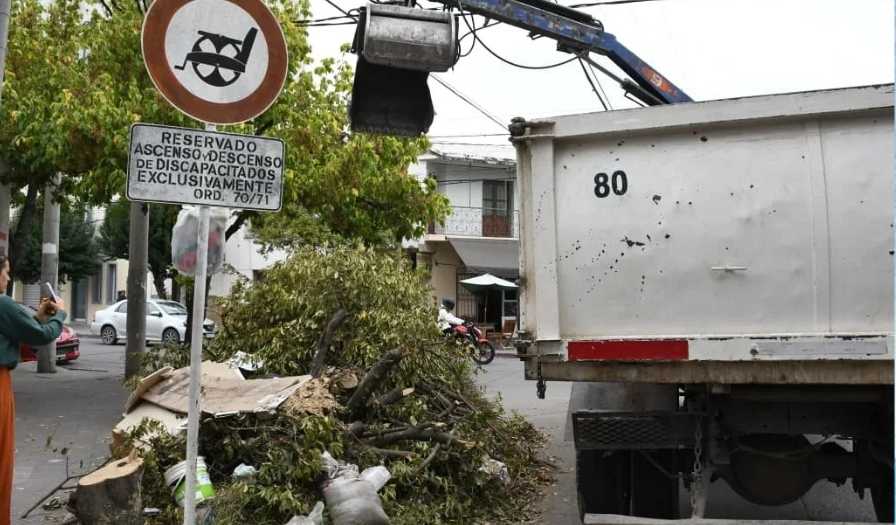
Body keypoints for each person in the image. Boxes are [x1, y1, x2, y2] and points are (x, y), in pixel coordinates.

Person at [0, 256, 66, 525]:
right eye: (5, 272)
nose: (7, 278)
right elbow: (39, 336)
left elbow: (17, 331)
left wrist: (38, 317)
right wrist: (60, 315)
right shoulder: (3, 303)